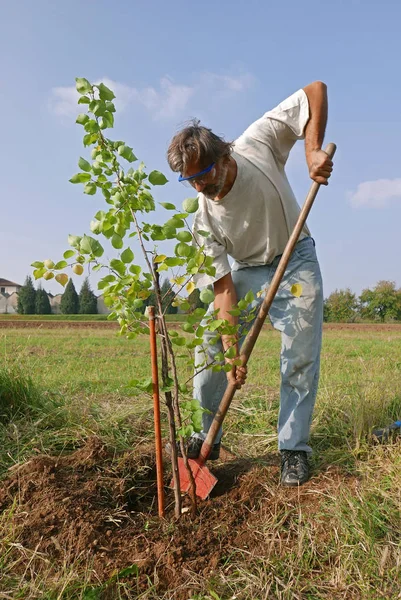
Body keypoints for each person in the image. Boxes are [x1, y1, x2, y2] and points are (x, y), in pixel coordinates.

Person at [167, 81, 333, 486]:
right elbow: (223, 288)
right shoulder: (203, 219)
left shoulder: (257, 142)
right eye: (189, 181)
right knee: (209, 340)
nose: (200, 187)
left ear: (224, 155)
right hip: (246, 270)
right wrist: (232, 353)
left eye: (203, 175)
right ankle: (205, 436)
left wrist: (312, 150)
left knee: (299, 352)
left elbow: (314, 92)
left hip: (295, 259)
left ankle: (293, 449)